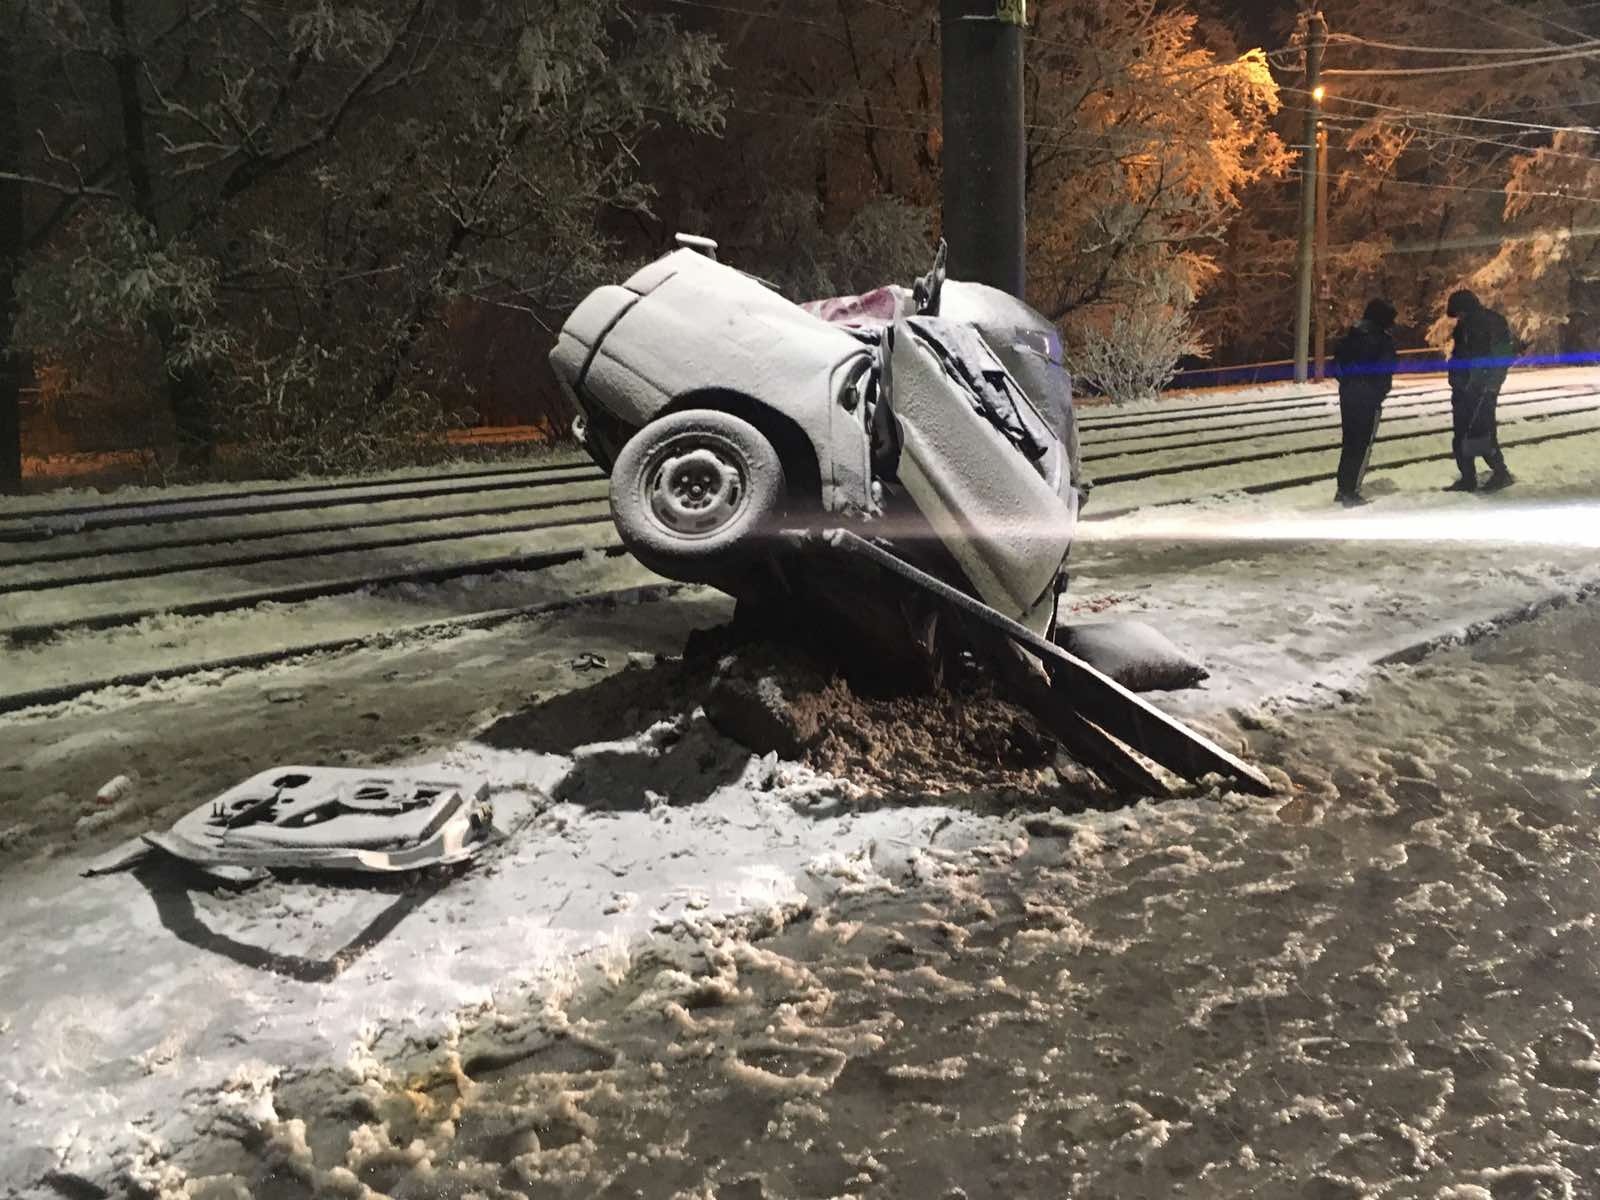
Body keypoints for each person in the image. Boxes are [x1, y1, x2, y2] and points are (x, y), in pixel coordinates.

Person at [1443, 289, 1516, 493]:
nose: (1459, 317)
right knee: (1463, 433)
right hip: (1466, 387)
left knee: (1481, 432)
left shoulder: (1489, 323)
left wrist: (1490, 384)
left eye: (1460, 313)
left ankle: (1499, 472)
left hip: (1480, 388)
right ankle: (1469, 477)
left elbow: (1502, 356)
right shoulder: (1467, 324)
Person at [1330, 298, 1398, 506]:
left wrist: (1349, 384)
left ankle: (1343, 487)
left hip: (1349, 394)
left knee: (1349, 442)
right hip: (1368, 398)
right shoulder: (1383, 341)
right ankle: (1351, 490)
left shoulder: (1351, 336)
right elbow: (1385, 372)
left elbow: (1337, 366)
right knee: (1362, 445)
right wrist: (1378, 394)